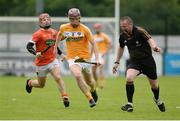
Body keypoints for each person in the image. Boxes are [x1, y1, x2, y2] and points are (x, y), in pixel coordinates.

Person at [112, 16, 165, 112]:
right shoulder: (122, 36)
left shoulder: (140, 31)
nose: (123, 28)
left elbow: (150, 39)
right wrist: (117, 62)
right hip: (135, 62)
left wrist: (154, 47)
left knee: (154, 86)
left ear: (130, 25)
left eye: (125, 26)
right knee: (129, 78)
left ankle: (157, 99)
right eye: (121, 26)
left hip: (148, 61)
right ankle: (129, 104)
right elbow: (121, 48)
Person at [55, 8, 100, 108]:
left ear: (79, 18)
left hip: (85, 59)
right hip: (72, 59)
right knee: (77, 75)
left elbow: (94, 44)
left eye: (76, 18)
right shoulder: (64, 28)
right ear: (69, 18)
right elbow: (58, 39)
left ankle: (93, 90)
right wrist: (59, 53)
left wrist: (97, 59)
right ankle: (90, 99)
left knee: (90, 82)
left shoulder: (85, 29)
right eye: (71, 19)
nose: (74, 21)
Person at [26, 13, 70, 107]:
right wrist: (35, 53)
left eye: (48, 19)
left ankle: (64, 96)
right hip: (41, 64)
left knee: (58, 77)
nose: (46, 20)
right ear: (40, 23)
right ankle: (30, 83)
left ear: (50, 21)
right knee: (41, 84)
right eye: (43, 19)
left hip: (52, 61)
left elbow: (54, 45)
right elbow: (29, 46)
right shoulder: (38, 34)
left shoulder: (54, 32)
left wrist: (61, 54)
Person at [91, 23, 112, 89]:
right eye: (96, 28)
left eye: (98, 28)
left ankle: (102, 84)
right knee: (93, 71)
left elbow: (110, 45)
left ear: (101, 28)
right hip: (94, 55)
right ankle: (97, 83)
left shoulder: (104, 36)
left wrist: (105, 52)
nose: (97, 29)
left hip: (102, 54)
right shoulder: (93, 37)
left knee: (101, 69)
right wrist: (90, 55)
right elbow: (92, 47)